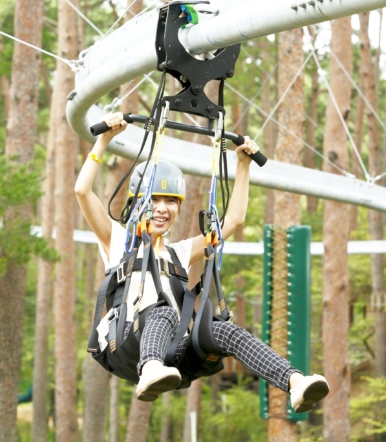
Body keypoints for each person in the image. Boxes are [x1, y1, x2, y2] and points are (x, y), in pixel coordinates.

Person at [75, 112, 329, 410]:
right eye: (154, 200)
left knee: (223, 330)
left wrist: (243, 166)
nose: (161, 209)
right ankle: (151, 368)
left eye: (170, 202)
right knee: (164, 312)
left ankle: (294, 382)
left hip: (174, 357)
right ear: (138, 203)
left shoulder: (179, 253)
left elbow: (232, 221)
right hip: (128, 345)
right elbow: (82, 191)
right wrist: (103, 141)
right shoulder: (119, 240)